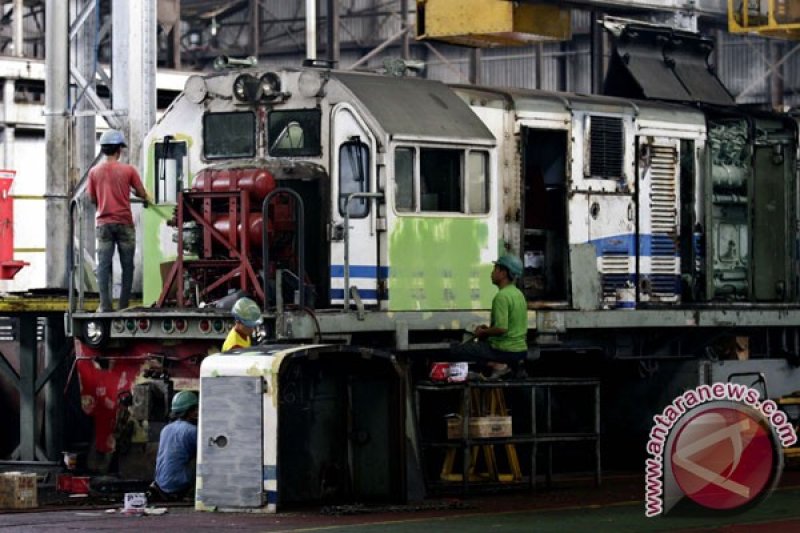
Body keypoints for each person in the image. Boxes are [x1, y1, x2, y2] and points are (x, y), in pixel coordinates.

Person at [87, 129, 152, 312]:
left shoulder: (94, 172)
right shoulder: (128, 170)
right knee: (127, 266)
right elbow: (141, 193)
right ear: (119, 150)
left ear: (104, 149)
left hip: (104, 225)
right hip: (124, 223)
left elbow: (92, 199)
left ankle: (105, 305)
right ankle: (124, 305)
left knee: (104, 266)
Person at [453, 254, 528, 380]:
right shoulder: (518, 294)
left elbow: (501, 328)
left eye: (495, 269)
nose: (491, 273)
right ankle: (500, 366)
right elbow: (510, 326)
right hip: (520, 350)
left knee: (456, 351)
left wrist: (483, 332)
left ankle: (498, 365)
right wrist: (488, 330)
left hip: (503, 350)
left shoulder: (502, 296)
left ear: (503, 273)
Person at [150, 391, 198, 501]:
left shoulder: (166, 429)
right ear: (190, 411)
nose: (197, 412)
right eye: (195, 409)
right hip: (178, 486)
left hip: (159, 484)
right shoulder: (192, 431)